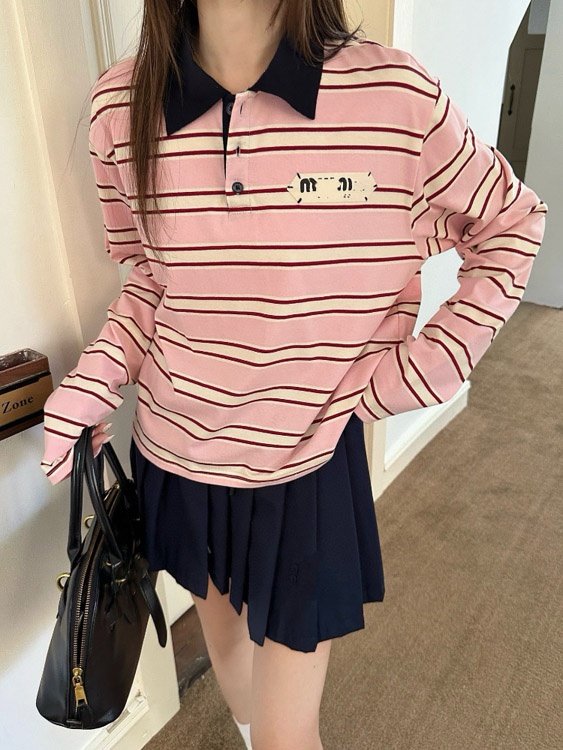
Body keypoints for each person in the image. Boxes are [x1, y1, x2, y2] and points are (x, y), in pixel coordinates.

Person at [40, 1, 547, 748]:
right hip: (177, 454)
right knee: (235, 673)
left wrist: (429, 368)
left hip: (305, 463)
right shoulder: (120, 104)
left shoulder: (393, 97)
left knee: (287, 735)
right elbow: (151, 278)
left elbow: (511, 222)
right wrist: (95, 379)